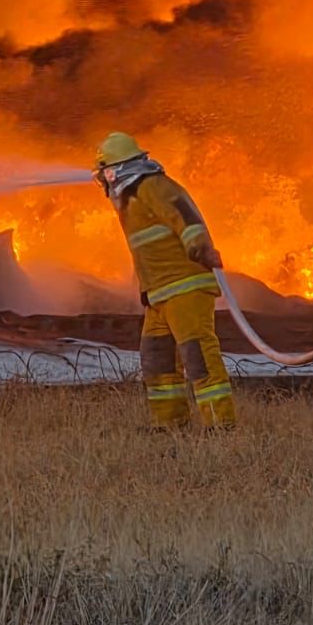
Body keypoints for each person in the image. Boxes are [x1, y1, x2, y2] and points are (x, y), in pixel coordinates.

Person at [94, 131, 236, 429]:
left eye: (104, 173)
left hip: (185, 286)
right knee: (157, 359)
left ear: (115, 170)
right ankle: (170, 424)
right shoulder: (130, 199)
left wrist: (199, 247)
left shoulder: (153, 186)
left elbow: (184, 214)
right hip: (159, 294)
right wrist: (146, 290)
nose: (103, 182)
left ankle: (220, 425)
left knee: (199, 357)